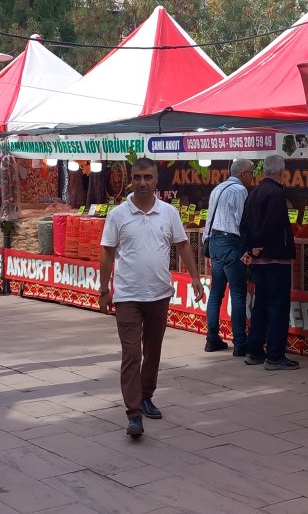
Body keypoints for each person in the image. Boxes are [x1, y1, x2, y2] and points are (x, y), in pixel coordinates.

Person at [98, 157, 205, 439]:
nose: (142, 183)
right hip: (128, 296)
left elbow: (182, 246)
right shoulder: (118, 214)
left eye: (147, 177)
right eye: (137, 178)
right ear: (131, 180)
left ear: (157, 180)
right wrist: (103, 289)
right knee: (132, 354)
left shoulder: (168, 213)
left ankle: (147, 395)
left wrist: (195, 278)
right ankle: (133, 413)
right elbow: (107, 252)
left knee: (153, 350)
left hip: (159, 294)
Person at [239, 154, 299, 371]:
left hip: (259, 261)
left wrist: (250, 248)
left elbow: (243, 225)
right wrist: (259, 245)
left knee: (261, 305)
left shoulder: (253, 193)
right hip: (275, 258)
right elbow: (272, 224)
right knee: (277, 306)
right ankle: (274, 355)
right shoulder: (275, 193)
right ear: (282, 172)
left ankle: (254, 350)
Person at [201, 158, 253, 355]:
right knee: (238, 294)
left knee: (216, 294)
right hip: (231, 243)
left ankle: (212, 339)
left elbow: (209, 218)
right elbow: (242, 220)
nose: (252, 177)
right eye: (250, 173)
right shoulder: (240, 191)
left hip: (214, 242)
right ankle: (240, 343)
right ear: (243, 174)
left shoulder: (218, 189)